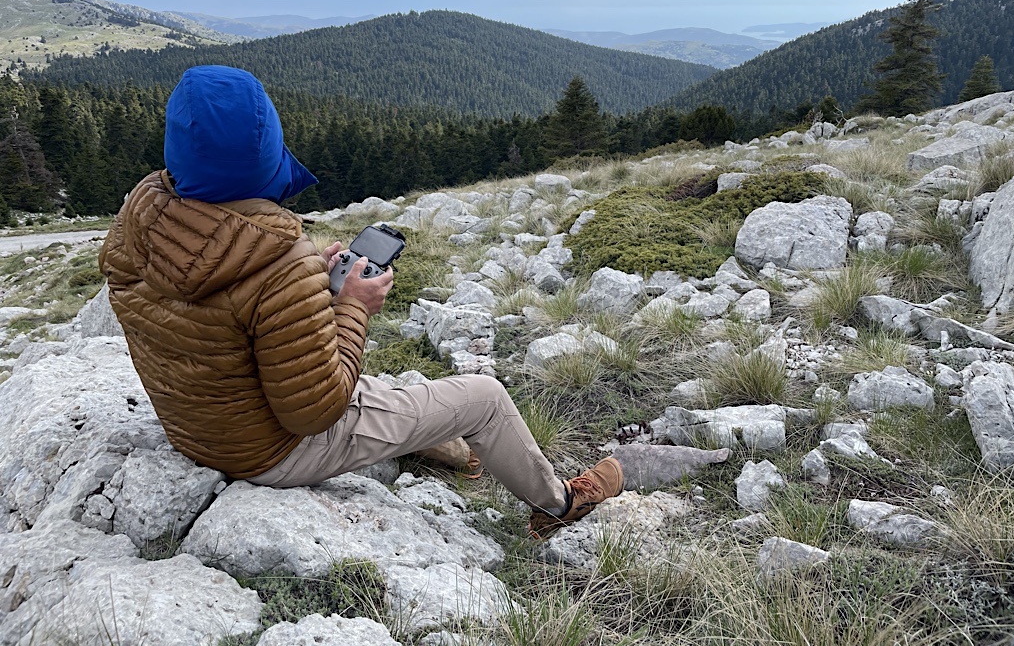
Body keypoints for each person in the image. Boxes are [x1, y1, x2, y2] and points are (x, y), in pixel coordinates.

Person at [99, 64, 622, 538]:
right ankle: (560, 504)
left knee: (397, 392)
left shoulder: (134, 230)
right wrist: (351, 306)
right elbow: (316, 411)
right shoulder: (278, 264)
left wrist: (310, 297)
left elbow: (220, 330)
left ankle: (460, 453)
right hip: (271, 450)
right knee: (483, 396)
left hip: (197, 428)